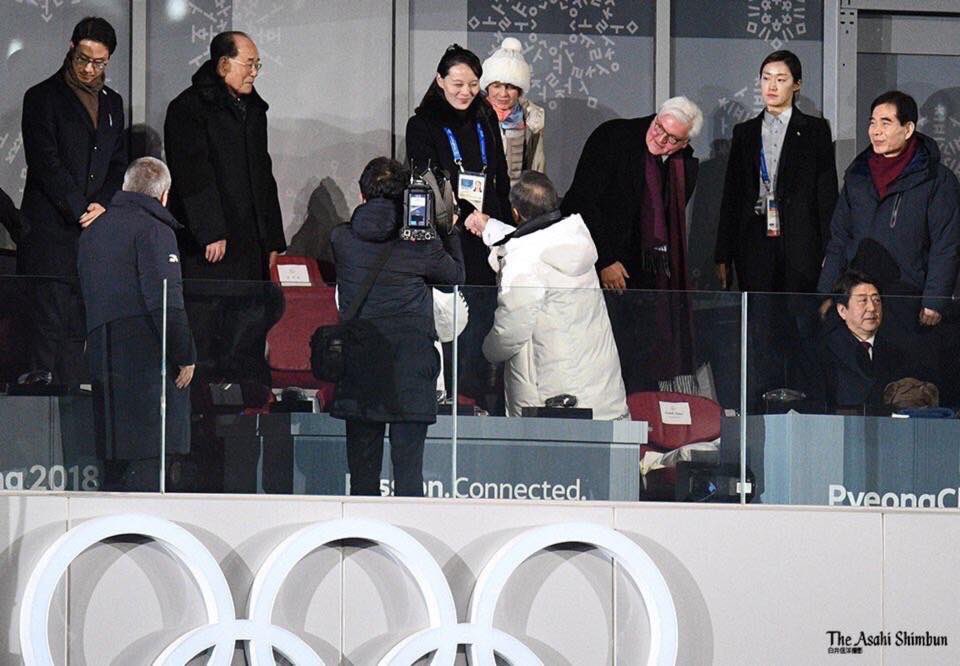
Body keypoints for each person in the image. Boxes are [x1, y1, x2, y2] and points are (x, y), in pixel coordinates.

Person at [330, 157, 464, 497]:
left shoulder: (341, 239)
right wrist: (446, 229)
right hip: (410, 367)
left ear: (361, 195)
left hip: (361, 366)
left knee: (362, 481)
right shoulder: (421, 243)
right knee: (409, 479)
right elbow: (454, 278)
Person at [164, 30, 286, 388]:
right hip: (211, 248)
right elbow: (192, 174)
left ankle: (246, 406)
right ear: (222, 65)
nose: (254, 72)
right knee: (208, 328)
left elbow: (263, 175)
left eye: (257, 65)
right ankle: (204, 408)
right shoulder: (188, 108)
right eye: (249, 64)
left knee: (247, 330)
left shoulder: (254, 109)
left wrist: (272, 238)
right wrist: (210, 230)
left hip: (250, 244)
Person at [817, 90, 960, 392]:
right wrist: (826, 293)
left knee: (905, 387)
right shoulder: (857, 175)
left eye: (886, 122)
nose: (876, 131)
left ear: (908, 129)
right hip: (860, 299)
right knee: (856, 385)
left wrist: (934, 300)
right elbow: (839, 238)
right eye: (872, 122)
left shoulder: (937, 179)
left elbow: (946, 245)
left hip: (908, 300)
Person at [561, 97, 702, 392]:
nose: (660, 139)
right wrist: (605, 259)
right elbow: (580, 202)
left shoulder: (683, 164)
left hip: (650, 278)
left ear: (684, 142)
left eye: (672, 138)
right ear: (656, 117)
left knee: (643, 364)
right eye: (659, 127)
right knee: (604, 358)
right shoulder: (614, 137)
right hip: (601, 268)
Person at [466, 172, 628, 419]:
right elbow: (534, 240)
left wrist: (485, 350)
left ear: (515, 213)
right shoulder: (574, 238)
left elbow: (510, 332)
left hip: (550, 401)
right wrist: (490, 227)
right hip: (599, 391)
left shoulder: (523, 261)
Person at [18, 17, 127, 385]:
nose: (89, 69)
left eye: (99, 62)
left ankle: (74, 405)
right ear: (71, 48)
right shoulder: (41, 97)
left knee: (79, 331)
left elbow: (118, 162)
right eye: (83, 59)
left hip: (93, 236)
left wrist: (104, 203)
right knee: (45, 330)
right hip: (50, 234)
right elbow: (45, 162)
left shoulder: (113, 103)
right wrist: (80, 208)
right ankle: (38, 404)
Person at [77, 157, 196, 491]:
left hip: (103, 362)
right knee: (150, 473)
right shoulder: (155, 230)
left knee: (113, 475)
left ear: (126, 187)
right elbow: (166, 301)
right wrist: (185, 355)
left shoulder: (92, 231)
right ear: (164, 195)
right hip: (147, 368)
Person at [406, 44, 511, 410]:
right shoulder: (422, 124)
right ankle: (449, 399)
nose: (466, 92)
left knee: (483, 323)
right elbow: (427, 180)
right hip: (448, 239)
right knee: (453, 325)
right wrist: (465, 212)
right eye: (457, 84)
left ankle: (477, 399)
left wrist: (503, 227)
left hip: (488, 234)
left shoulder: (485, 117)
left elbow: (499, 176)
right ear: (440, 80)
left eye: (473, 84)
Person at [714, 50, 838, 293]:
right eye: (766, 78)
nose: (771, 86)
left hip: (800, 242)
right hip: (754, 240)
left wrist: (831, 251)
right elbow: (732, 195)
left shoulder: (815, 130)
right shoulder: (744, 132)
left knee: (799, 310)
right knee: (758, 311)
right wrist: (723, 253)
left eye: (781, 79)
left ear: (797, 84)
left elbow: (826, 195)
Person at [818, 271, 916, 412]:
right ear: (842, 310)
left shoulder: (898, 352)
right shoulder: (823, 350)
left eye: (876, 300)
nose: (872, 308)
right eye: (863, 301)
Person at [479, 37, 545, 187]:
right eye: (496, 86)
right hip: (478, 191)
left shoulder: (531, 118)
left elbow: (536, 164)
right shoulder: (474, 115)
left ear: (520, 90)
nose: (503, 94)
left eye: (510, 87)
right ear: (487, 87)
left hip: (515, 193)